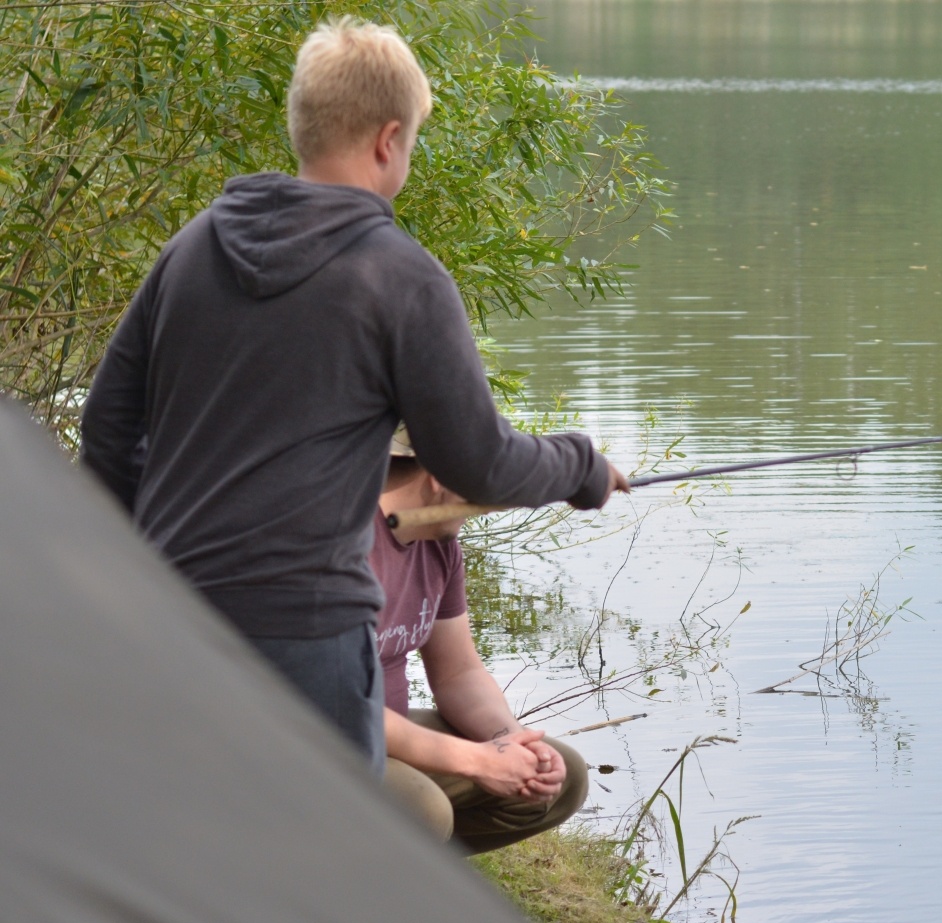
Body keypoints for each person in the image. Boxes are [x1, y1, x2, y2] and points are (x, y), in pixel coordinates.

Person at [79, 18, 628, 774]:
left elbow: (106, 431)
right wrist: (581, 466)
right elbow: (478, 463)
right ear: (388, 139)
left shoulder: (191, 248)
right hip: (307, 639)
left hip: (172, 621)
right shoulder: (399, 277)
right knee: (325, 873)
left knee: (198, 859)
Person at [375, 438, 585, 852]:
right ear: (438, 479)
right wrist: (476, 761)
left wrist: (511, 741)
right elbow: (336, 704)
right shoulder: (340, 545)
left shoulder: (439, 546)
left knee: (562, 778)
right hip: (311, 739)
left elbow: (458, 672)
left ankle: (398, 866)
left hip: (383, 735)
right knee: (423, 808)